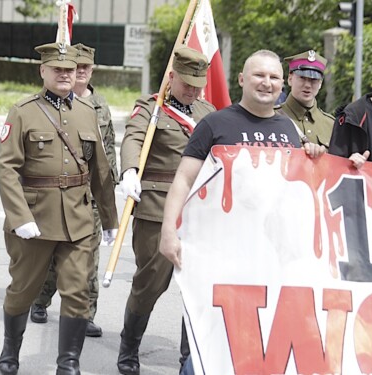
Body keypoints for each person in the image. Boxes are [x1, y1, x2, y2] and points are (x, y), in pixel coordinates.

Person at [158, 50, 325, 373]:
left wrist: (313, 156)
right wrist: (169, 231)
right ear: (242, 80)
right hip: (221, 252)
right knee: (211, 336)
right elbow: (184, 178)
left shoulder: (289, 130)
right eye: (259, 75)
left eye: (274, 77)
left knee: (257, 336)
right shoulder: (215, 124)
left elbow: (295, 188)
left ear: (282, 84)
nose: (267, 83)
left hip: (269, 255)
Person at [0, 43, 118, 375]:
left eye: (71, 69)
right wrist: (19, 217)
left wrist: (109, 217)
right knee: (22, 291)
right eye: (58, 69)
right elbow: (6, 168)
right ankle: (10, 349)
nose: (66, 75)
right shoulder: (23, 111)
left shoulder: (87, 111)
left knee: (77, 291)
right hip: (35, 219)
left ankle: (68, 363)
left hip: (78, 220)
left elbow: (100, 169)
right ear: (43, 71)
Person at [116, 45, 216, 375]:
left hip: (198, 212)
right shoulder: (151, 108)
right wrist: (129, 170)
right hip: (158, 209)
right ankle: (129, 345)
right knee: (150, 283)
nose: (192, 90)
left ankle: (190, 358)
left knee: (197, 286)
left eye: (197, 84)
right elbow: (133, 138)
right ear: (172, 77)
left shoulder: (208, 112)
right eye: (186, 83)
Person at [29, 43, 118, 339]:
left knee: (86, 261)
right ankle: (40, 300)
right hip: (58, 195)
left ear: (91, 71)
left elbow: (107, 150)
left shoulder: (100, 105)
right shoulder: (48, 104)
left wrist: (109, 192)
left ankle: (85, 314)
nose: (79, 73)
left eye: (85, 68)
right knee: (55, 257)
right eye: (75, 68)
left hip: (88, 197)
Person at [275, 50, 334, 148]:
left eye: (313, 80)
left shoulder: (331, 124)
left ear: (320, 84)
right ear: (290, 79)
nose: (307, 85)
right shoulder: (272, 117)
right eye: (302, 78)